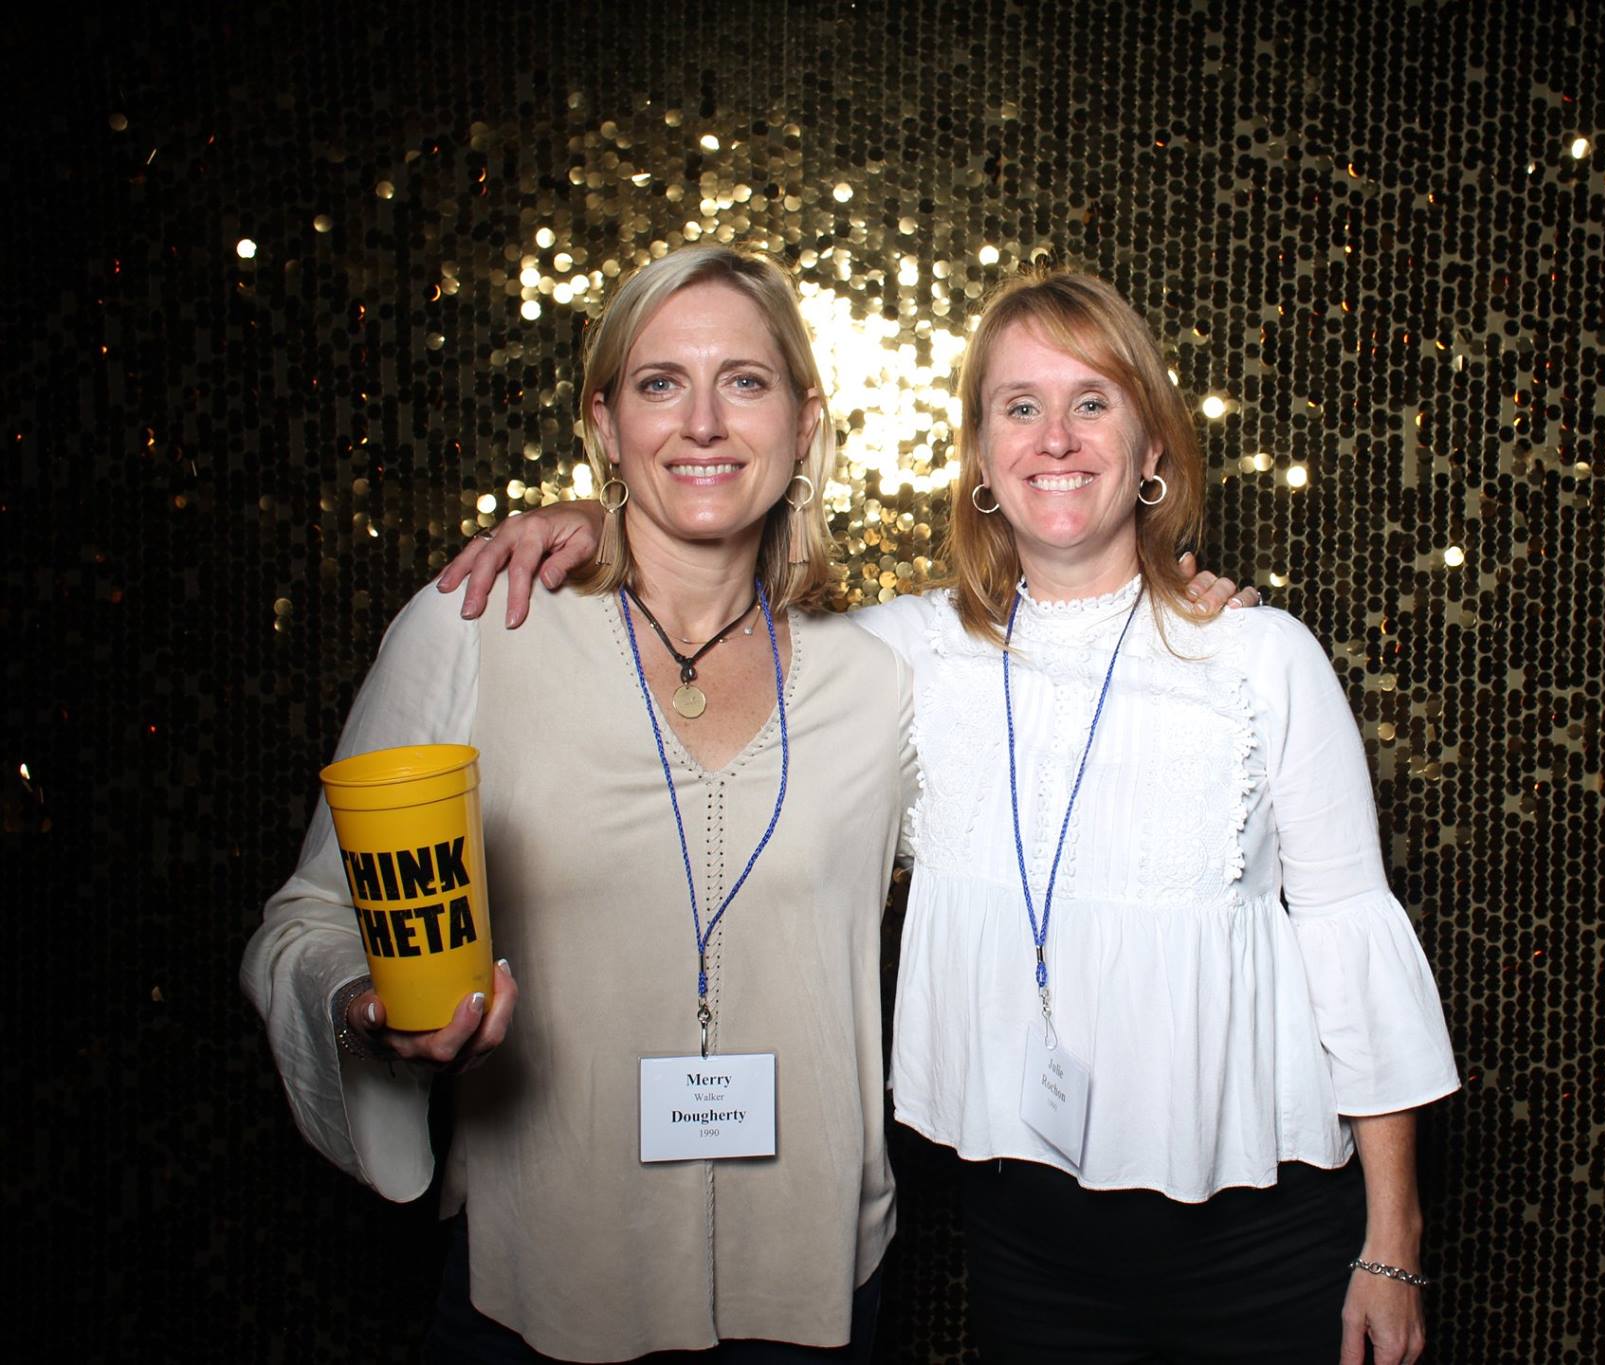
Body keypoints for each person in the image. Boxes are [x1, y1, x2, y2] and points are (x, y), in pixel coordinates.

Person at [450, 269, 1460, 1364]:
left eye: (1092, 401)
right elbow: (715, 603)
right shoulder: (900, 654)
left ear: (1152, 449)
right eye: (1020, 406)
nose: (1055, 437)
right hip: (1026, 1247)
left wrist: (1392, 1244)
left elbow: (1349, 937)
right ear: (981, 457)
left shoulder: (1261, 658)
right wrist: (591, 526)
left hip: (1267, 1240)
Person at [244, 245, 918, 1362]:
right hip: (542, 1283)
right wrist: (368, 1007)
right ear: (605, 424)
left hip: (811, 1288)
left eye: (744, 382)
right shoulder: (481, 623)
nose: (702, 423)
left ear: (804, 423)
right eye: (660, 383)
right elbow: (306, 921)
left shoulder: (883, 677)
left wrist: (1178, 595)